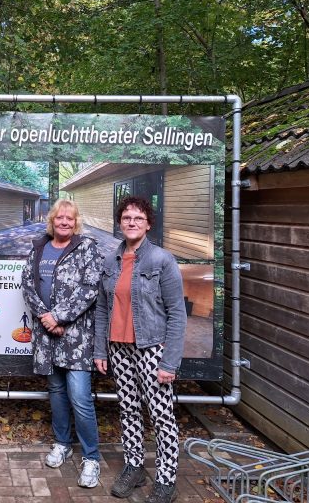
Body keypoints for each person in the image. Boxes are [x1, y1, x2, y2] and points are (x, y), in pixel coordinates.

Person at [94, 196, 187, 503]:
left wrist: (169, 362)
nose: (131, 222)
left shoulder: (162, 260)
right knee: (129, 409)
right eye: (126, 218)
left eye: (138, 218)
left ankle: (166, 480)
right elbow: (102, 310)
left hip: (152, 349)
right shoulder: (111, 261)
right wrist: (100, 351)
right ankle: (134, 467)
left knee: (161, 416)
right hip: (118, 349)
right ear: (120, 223)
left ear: (148, 224)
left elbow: (177, 313)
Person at [21, 198, 103, 488]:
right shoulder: (39, 247)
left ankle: (91, 457)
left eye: (69, 219)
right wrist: (45, 318)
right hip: (47, 337)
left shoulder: (87, 248)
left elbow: (90, 288)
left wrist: (59, 317)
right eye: (59, 218)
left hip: (76, 337)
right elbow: (27, 284)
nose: (64, 222)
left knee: (80, 397)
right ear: (52, 221)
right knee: (56, 391)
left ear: (76, 221)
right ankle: (62, 443)